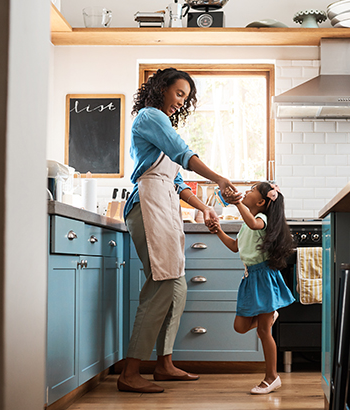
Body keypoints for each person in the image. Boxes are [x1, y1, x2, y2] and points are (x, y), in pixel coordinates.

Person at [118, 68, 239, 394]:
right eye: (178, 93)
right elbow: (183, 153)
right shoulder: (150, 116)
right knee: (162, 284)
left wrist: (204, 207)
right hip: (147, 204)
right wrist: (219, 179)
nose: (180, 102)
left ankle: (164, 363)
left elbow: (177, 181)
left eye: (185, 98)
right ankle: (130, 372)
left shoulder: (162, 123)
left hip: (164, 203)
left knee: (176, 287)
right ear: (161, 89)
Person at [208, 182, 295, 394]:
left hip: (263, 276)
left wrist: (237, 203)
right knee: (240, 326)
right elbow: (235, 246)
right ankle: (271, 314)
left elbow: (255, 224)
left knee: (265, 331)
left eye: (252, 190)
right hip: (250, 277)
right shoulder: (247, 223)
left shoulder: (261, 219)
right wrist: (217, 230)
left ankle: (271, 377)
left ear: (261, 202)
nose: (247, 191)